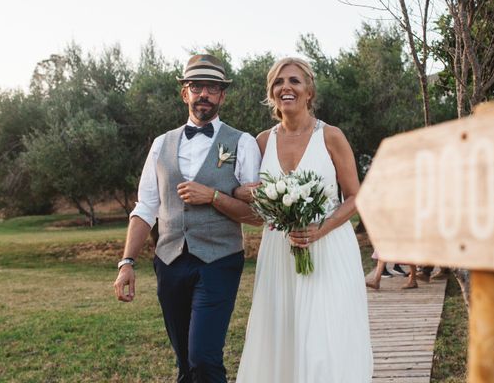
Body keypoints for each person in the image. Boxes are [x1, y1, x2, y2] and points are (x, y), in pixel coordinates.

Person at [113, 54, 262, 383]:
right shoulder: (159, 145)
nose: (204, 94)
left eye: (212, 88)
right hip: (169, 261)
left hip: (220, 260)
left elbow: (256, 215)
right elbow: (145, 207)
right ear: (185, 93)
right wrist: (127, 262)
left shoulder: (243, 143)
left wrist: (213, 196)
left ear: (222, 95)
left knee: (204, 358)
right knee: (185, 364)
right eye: (197, 87)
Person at [234, 57, 373, 383]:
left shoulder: (331, 137)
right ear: (271, 93)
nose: (286, 87)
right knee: (284, 336)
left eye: (294, 81)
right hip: (279, 253)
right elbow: (244, 190)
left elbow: (356, 196)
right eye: (279, 82)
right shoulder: (262, 141)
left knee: (324, 340)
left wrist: (318, 229)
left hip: (329, 250)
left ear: (309, 91)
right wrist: (245, 191)